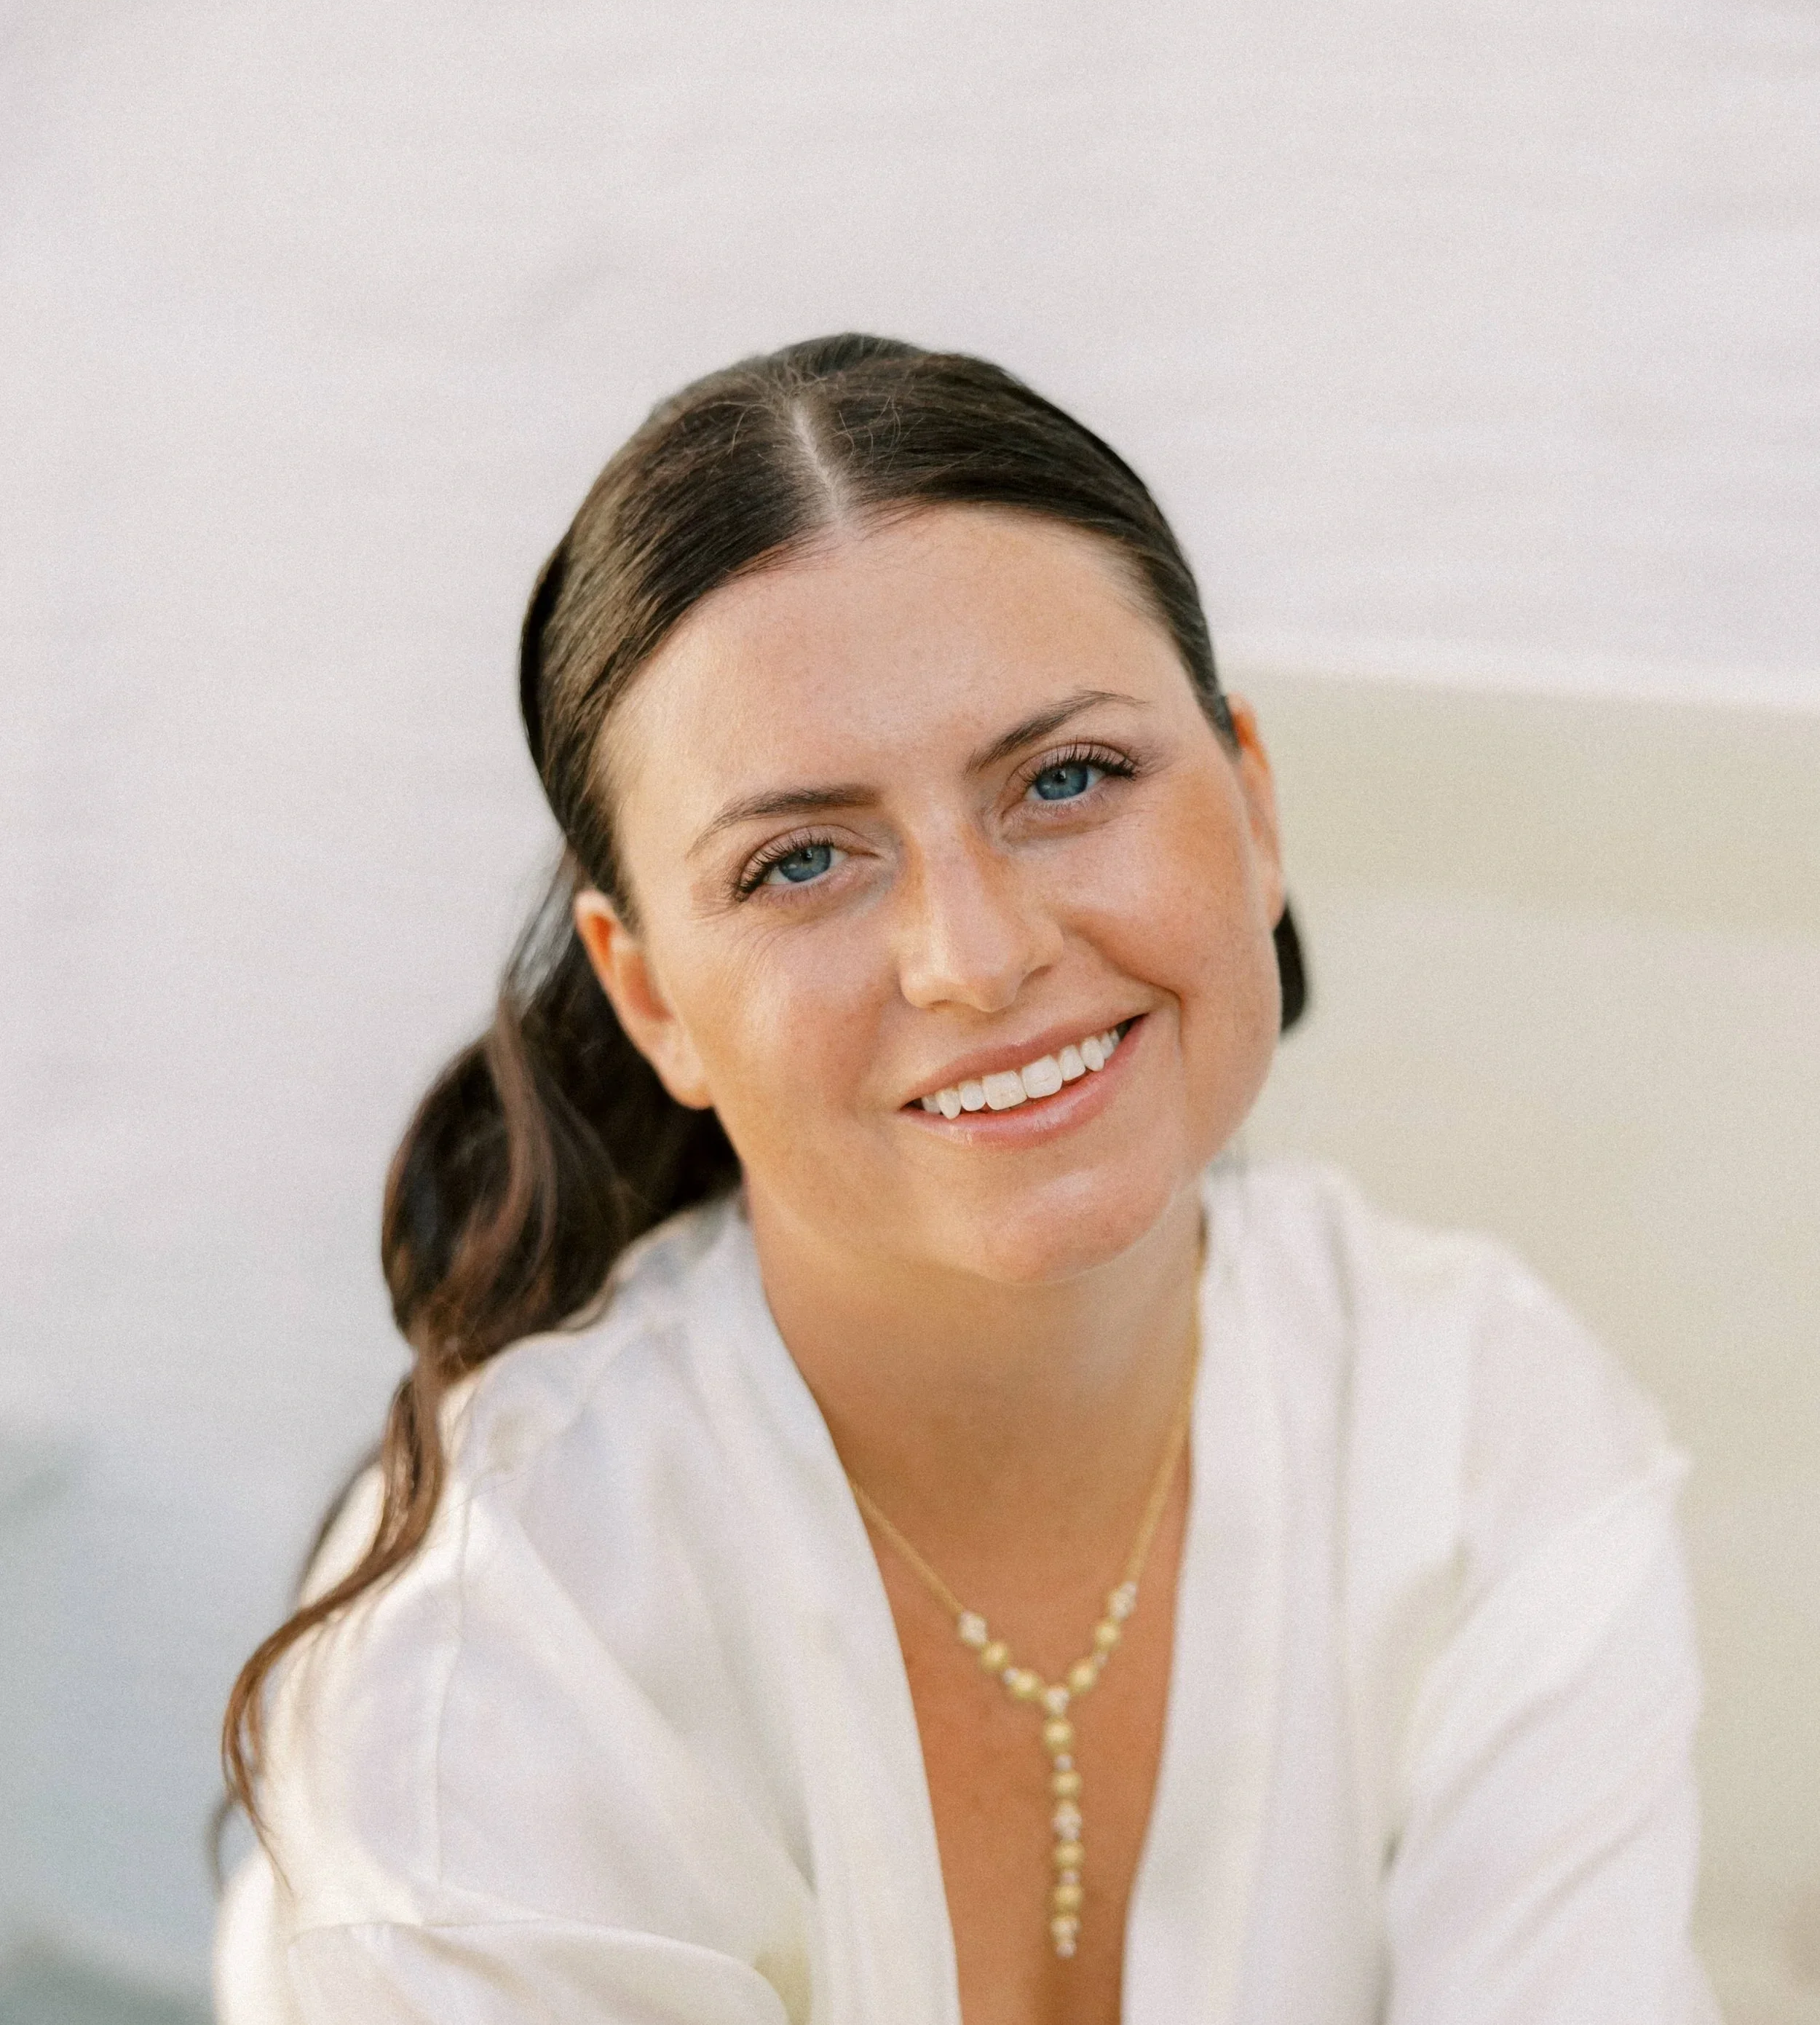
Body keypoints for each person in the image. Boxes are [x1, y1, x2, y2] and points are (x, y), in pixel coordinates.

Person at [215, 336, 1715, 2024]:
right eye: (800, 861)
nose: (977, 954)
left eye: (1065, 777)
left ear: (1252, 803)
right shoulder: (492, 1662)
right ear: (649, 999)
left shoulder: (1482, 1435)